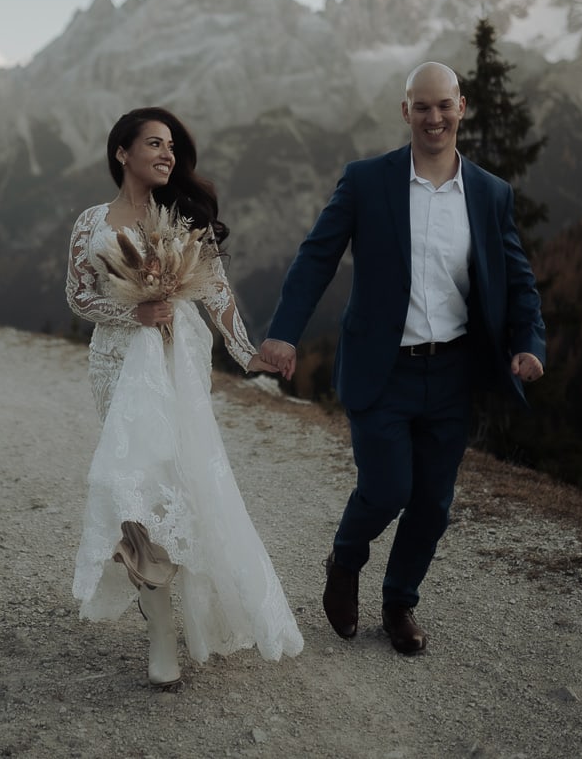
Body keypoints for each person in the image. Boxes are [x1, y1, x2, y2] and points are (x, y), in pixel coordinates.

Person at [259, 61, 546, 656]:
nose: (434, 117)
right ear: (405, 111)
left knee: (434, 503)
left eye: (444, 106)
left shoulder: (491, 194)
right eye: (422, 106)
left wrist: (528, 343)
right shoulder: (367, 181)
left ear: (461, 107)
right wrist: (285, 333)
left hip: (452, 371)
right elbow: (317, 257)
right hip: (381, 367)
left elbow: (518, 280)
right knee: (387, 488)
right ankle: (345, 560)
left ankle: (399, 605)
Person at [65, 107, 304, 687]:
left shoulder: (182, 216)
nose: (168, 154)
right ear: (122, 152)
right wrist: (132, 310)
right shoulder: (91, 221)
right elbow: (77, 295)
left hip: (177, 360)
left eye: (172, 145)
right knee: (132, 487)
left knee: (177, 484)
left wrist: (246, 352)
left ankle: (177, 617)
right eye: (154, 143)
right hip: (115, 364)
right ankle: (160, 632)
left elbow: (215, 290)